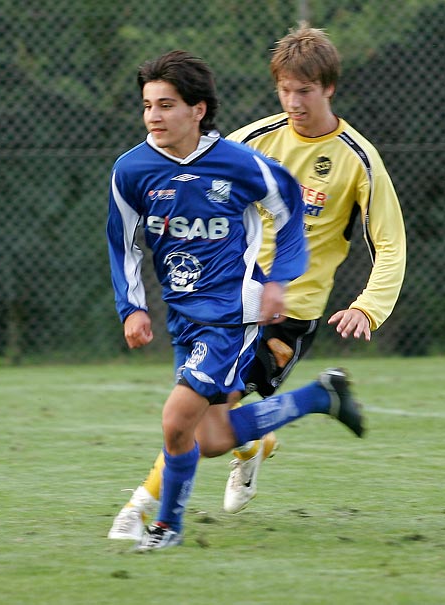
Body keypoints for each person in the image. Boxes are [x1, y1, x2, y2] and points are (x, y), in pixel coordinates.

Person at [108, 26, 406, 543]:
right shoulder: (251, 140)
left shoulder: (358, 158)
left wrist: (368, 306)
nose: (293, 101)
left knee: (190, 413)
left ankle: (146, 510)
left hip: (289, 311)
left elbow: (391, 243)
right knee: (213, 430)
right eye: (285, 89)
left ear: (329, 88)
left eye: (305, 91)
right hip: (228, 297)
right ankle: (301, 412)